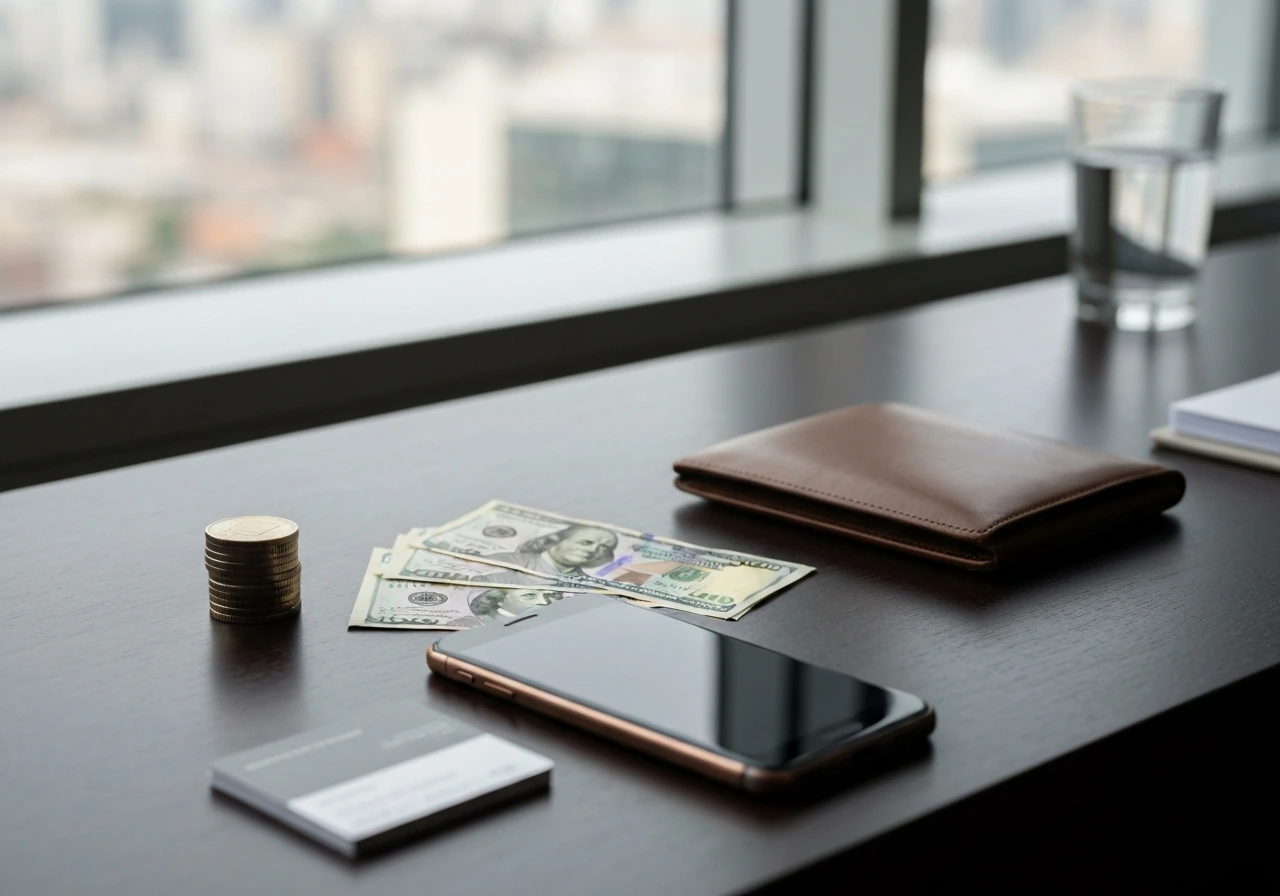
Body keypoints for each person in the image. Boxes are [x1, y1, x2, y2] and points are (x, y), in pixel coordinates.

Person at [484, 525, 617, 578]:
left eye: (604, 548)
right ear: (556, 540)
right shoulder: (503, 561)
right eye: (586, 542)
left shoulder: (588, 584)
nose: (593, 550)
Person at [468, 588, 565, 623]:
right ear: (500, 600)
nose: (544, 602)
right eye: (529, 596)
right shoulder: (482, 622)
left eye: (551, 595)